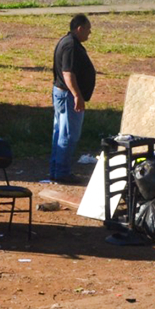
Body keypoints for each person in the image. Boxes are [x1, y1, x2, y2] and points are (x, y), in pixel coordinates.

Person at [49, 13, 96, 183]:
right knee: (68, 134)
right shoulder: (71, 46)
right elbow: (68, 74)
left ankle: (56, 170)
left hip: (62, 93)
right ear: (79, 28)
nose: (89, 34)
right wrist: (77, 95)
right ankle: (62, 172)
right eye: (88, 30)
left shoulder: (66, 42)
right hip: (68, 95)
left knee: (59, 132)